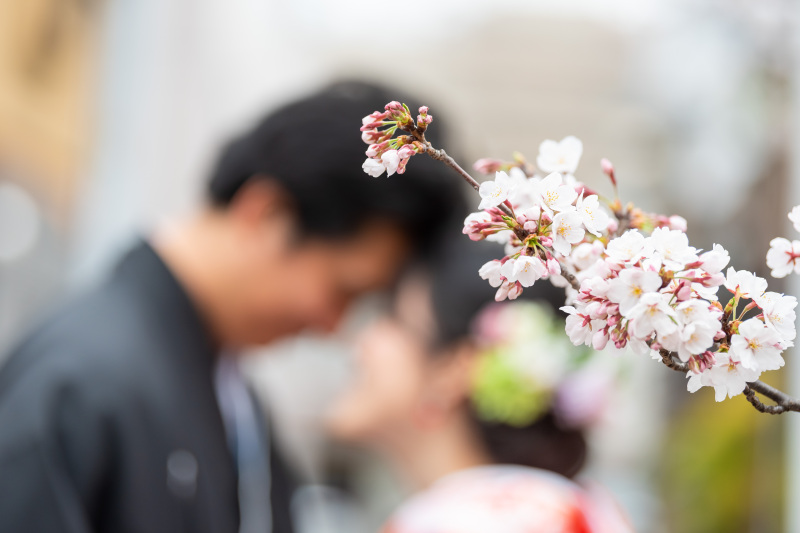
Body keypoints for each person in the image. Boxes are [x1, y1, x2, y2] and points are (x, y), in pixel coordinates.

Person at [0, 81, 466, 533]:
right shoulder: (83, 377)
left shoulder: (231, 393)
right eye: (343, 291)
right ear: (268, 214)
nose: (332, 326)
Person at [325, 241, 634, 533]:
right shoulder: (568, 508)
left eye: (391, 316)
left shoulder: (469, 520)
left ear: (453, 370)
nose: (361, 338)